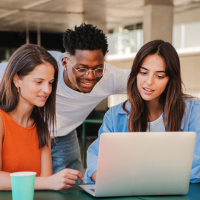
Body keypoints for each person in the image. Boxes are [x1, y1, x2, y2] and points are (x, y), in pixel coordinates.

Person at [0, 23, 130, 180]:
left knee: (70, 187)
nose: (90, 76)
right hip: (23, 130)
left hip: (56, 132)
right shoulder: (41, 65)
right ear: (64, 63)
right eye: (81, 69)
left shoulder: (110, 77)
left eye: (97, 69)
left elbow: (147, 81)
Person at [84, 40, 200, 184]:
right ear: (135, 74)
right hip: (128, 191)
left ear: (170, 80)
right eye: (143, 73)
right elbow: (96, 160)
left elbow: (196, 168)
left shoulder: (194, 111)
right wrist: (102, 177)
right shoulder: (115, 116)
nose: (149, 82)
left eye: (159, 76)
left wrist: (136, 175)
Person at [0, 44, 83, 191]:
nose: (47, 90)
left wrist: (51, 182)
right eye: (39, 82)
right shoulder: (1, 120)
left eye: (50, 83)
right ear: (17, 80)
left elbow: (45, 181)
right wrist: (49, 182)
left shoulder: (41, 127)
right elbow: (46, 182)